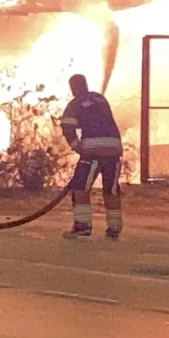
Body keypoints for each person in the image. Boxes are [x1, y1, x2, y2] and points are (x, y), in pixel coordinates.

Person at [59, 74, 123, 240]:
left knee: (80, 187)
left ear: (72, 88)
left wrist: (79, 148)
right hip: (115, 148)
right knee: (111, 189)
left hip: (93, 152)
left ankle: (82, 226)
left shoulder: (74, 105)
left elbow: (68, 128)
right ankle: (114, 229)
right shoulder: (100, 99)